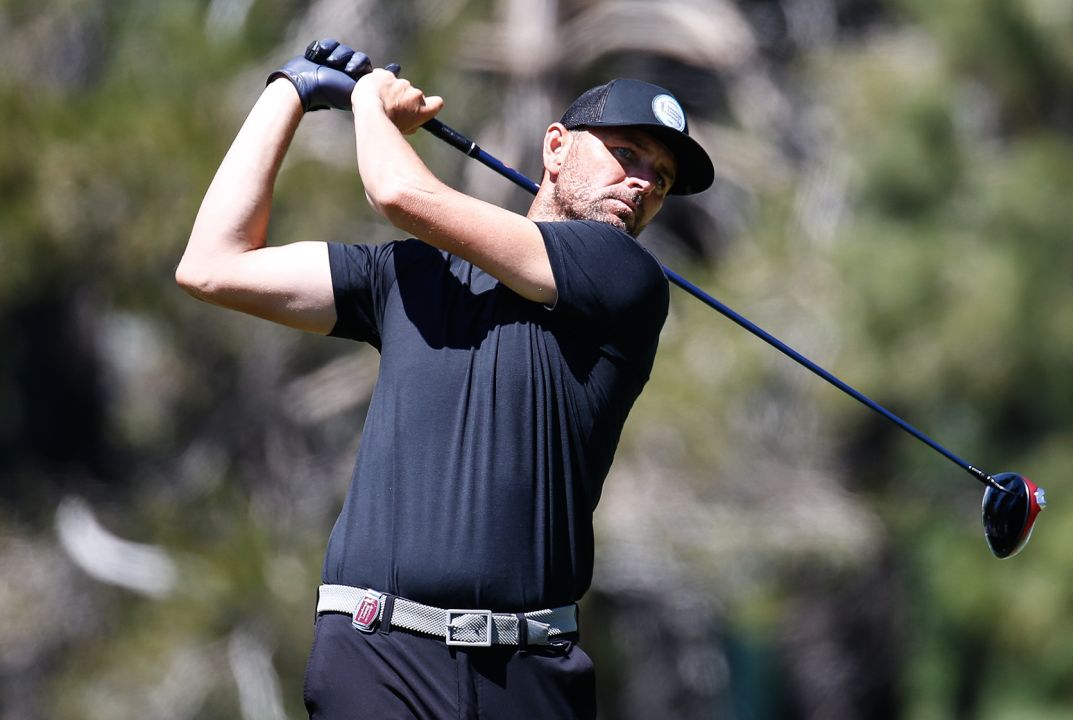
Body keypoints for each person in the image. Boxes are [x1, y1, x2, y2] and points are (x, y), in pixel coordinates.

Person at [176, 40, 714, 718]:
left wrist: (367, 101)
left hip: (527, 675)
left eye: (660, 178)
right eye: (627, 154)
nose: (642, 183)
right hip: (375, 661)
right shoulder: (406, 277)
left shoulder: (626, 279)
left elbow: (398, 191)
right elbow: (212, 264)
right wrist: (290, 90)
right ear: (555, 148)